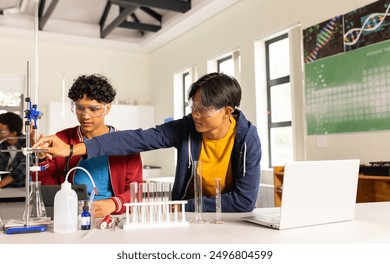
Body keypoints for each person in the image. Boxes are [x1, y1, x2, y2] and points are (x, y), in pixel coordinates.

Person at [34, 73, 261, 212]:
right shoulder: (186, 127)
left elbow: (244, 201)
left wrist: (181, 206)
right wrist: (71, 149)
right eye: (193, 107)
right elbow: (138, 139)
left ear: (227, 112)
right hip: (189, 215)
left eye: (203, 110)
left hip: (225, 216)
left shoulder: (247, 139)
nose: (195, 115)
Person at [33, 74, 143, 217]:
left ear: (107, 108)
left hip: (113, 215)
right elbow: (49, 190)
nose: (85, 116)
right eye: (80, 108)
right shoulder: (61, 140)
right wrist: (41, 160)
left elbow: (136, 190)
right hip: (71, 215)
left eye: (93, 109)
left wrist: (115, 203)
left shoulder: (125, 144)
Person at [0, 112, 26, 188]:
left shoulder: (27, 144)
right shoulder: (2, 145)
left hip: (21, 189)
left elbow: (22, 169)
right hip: (4, 189)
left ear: (14, 132)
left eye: (1, 131)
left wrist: (1, 184)